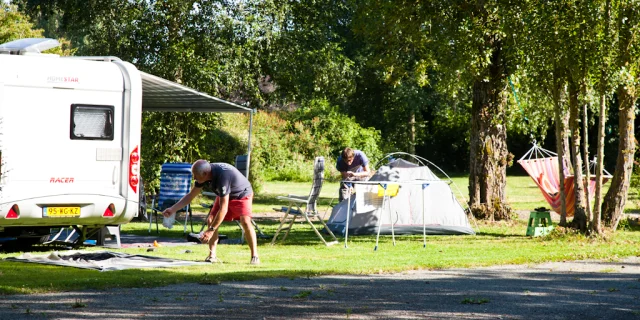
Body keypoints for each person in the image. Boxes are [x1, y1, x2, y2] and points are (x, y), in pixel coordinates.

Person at [162, 160, 260, 265]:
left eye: (196, 176)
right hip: (225, 194)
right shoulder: (205, 174)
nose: (194, 178)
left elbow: (223, 209)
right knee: (211, 219)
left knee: (245, 221)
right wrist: (173, 209)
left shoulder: (222, 177)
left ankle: (255, 256)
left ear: (205, 174)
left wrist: (210, 231)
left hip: (241, 193)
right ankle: (212, 255)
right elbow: (191, 196)